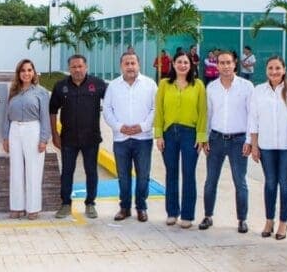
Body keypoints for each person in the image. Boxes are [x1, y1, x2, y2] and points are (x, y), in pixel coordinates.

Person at [248, 55, 287, 240]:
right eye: (271, 68)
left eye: (278, 68)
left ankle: (283, 223)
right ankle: (269, 220)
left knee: (285, 183)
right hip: (267, 146)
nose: (274, 72)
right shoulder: (258, 91)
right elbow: (253, 119)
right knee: (270, 183)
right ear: (266, 70)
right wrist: (254, 145)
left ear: (284, 69)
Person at [199, 50, 254, 233]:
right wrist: (205, 138)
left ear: (235, 63)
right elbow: (208, 115)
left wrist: (249, 140)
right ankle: (208, 216)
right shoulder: (212, 87)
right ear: (217, 65)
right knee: (210, 180)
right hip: (216, 139)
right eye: (221, 63)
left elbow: (252, 116)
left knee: (240, 181)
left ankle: (242, 219)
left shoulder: (247, 87)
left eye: (228, 62)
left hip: (238, 140)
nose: (225, 66)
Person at [49, 54, 107, 219]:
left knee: (91, 171)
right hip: (68, 138)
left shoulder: (98, 84)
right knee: (67, 171)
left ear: (86, 67)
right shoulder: (61, 86)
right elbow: (52, 111)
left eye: (80, 66)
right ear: (69, 69)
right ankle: (65, 203)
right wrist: (55, 134)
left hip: (91, 138)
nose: (77, 69)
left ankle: (90, 203)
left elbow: (112, 103)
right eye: (73, 67)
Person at [102, 52, 157, 222]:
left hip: (143, 138)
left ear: (138, 65)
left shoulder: (150, 84)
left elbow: (156, 109)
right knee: (123, 176)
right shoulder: (113, 86)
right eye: (127, 63)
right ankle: (124, 208)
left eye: (133, 63)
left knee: (143, 176)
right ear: (121, 66)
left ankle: (141, 208)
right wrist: (120, 127)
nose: (130, 66)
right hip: (121, 139)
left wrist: (142, 126)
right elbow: (107, 109)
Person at [154, 52, 207, 228]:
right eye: (179, 62)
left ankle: (187, 214)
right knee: (171, 174)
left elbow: (203, 113)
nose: (183, 65)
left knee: (189, 174)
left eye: (186, 62)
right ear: (173, 64)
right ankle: (172, 212)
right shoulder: (164, 84)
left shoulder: (198, 85)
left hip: (190, 134)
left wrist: (201, 136)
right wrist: (159, 135)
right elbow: (159, 111)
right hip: (169, 133)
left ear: (191, 65)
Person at [3, 59, 51, 220]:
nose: (26, 73)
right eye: (23, 70)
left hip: (33, 129)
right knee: (15, 170)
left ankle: (33, 208)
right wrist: (5, 136)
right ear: (18, 73)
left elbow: (45, 117)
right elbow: (6, 116)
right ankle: (17, 207)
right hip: (15, 130)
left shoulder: (41, 92)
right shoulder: (13, 91)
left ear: (34, 72)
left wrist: (44, 139)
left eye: (29, 70)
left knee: (33, 170)